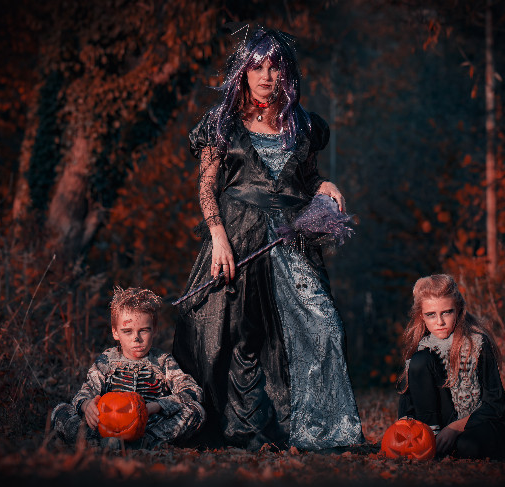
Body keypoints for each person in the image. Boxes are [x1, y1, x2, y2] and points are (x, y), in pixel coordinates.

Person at [172, 27, 364, 451]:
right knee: (233, 334)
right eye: (256, 66)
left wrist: (324, 185)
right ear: (243, 72)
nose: (265, 75)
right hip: (238, 238)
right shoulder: (221, 123)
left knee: (324, 324)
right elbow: (206, 187)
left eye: (274, 66)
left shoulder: (304, 125)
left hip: (291, 242)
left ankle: (320, 429)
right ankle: (246, 428)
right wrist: (218, 236)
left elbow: (307, 178)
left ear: (286, 72)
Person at [51, 286, 205, 450]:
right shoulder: (107, 360)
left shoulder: (163, 361)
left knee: (196, 411)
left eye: (143, 330)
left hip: (149, 426)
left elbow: (192, 392)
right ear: (115, 333)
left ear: (154, 330)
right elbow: (84, 392)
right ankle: (97, 443)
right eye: (127, 331)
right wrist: (86, 405)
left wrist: (157, 406)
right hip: (107, 425)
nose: (136, 338)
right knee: (60, 411)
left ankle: (147, 442)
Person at [396, 274, 505, 460]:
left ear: (458, 310)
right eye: (431, 314)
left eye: (446, 312)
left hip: (480, 421)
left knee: (467, 447)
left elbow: (495, 405)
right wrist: (407, 427)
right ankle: (431, 439)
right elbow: (409, 402)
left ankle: (452, 444)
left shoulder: (477, 343)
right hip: (442, 423)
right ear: (421, 316)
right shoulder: (422, 348)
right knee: (419, 361)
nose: (440, 322)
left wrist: (454, 428)